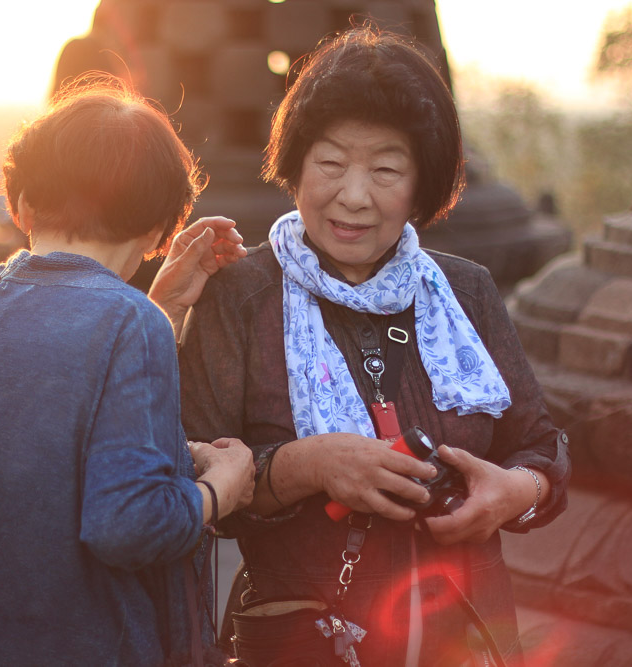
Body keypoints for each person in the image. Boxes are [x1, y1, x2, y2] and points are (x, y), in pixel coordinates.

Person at [178, 28, 572, 666]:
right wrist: (311, 464)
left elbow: (540, 445)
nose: (353, 195)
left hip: (465, 638)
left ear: (423, 186)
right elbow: (192, 476)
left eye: (386, 170)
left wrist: (516, 491)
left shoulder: (464, 291)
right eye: (330, 163)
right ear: (295, 165)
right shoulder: (241, 296)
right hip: (303, 638)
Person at [0, 78, 254, 666]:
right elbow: (128, 526)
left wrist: (156, 306)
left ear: (18, 203)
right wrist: (222, 486)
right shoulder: (128, 322)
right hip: (71, 642)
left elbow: (54, 405)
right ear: (160, 231)